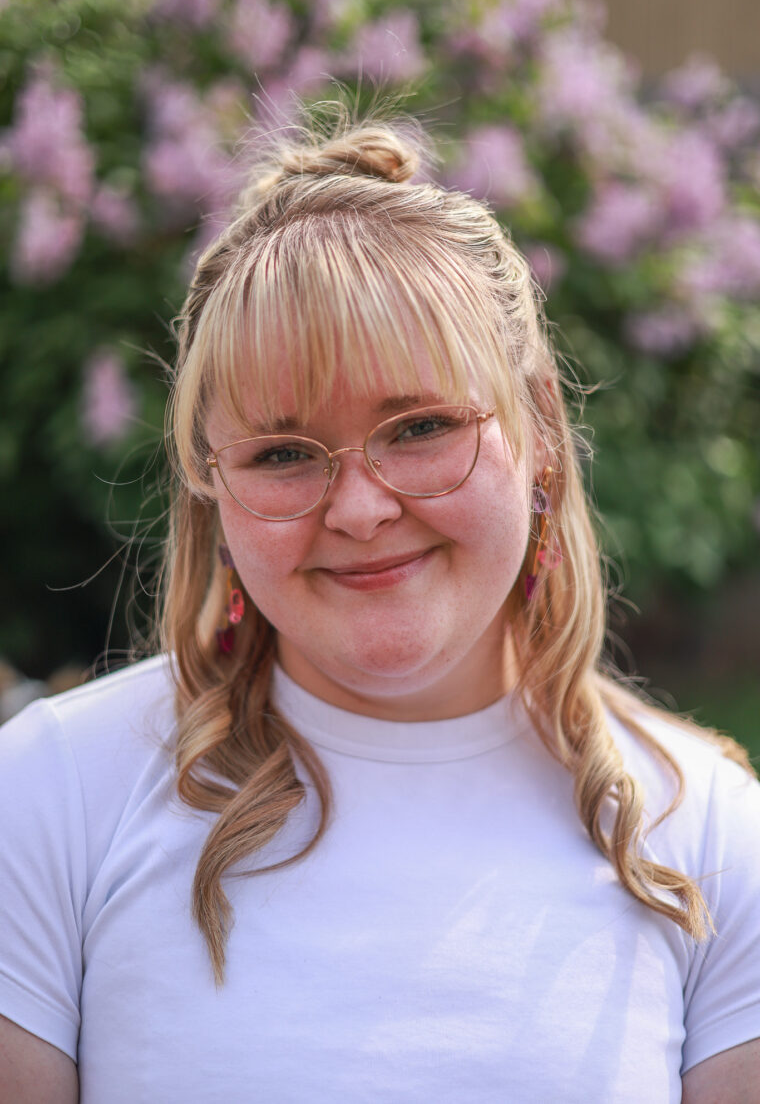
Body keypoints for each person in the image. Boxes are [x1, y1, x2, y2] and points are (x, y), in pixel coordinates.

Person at [0, 106, 758, 1104]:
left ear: (537, 433)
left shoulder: (705, 835)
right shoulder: (51, 797)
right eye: (280, 453)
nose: (359, 509)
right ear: (210, 486)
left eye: (420, 427)